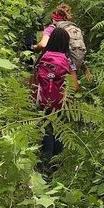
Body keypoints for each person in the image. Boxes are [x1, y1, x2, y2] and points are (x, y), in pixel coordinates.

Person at [31, 27, 80, 168]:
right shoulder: (68, 61)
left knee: (47, 131)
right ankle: (56, 166)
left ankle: (45, 165)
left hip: (43, 102)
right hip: (61, 103)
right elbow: (75, 86)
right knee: (59, 132)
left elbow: (34, 82)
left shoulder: (42, 58)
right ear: (66, 43)